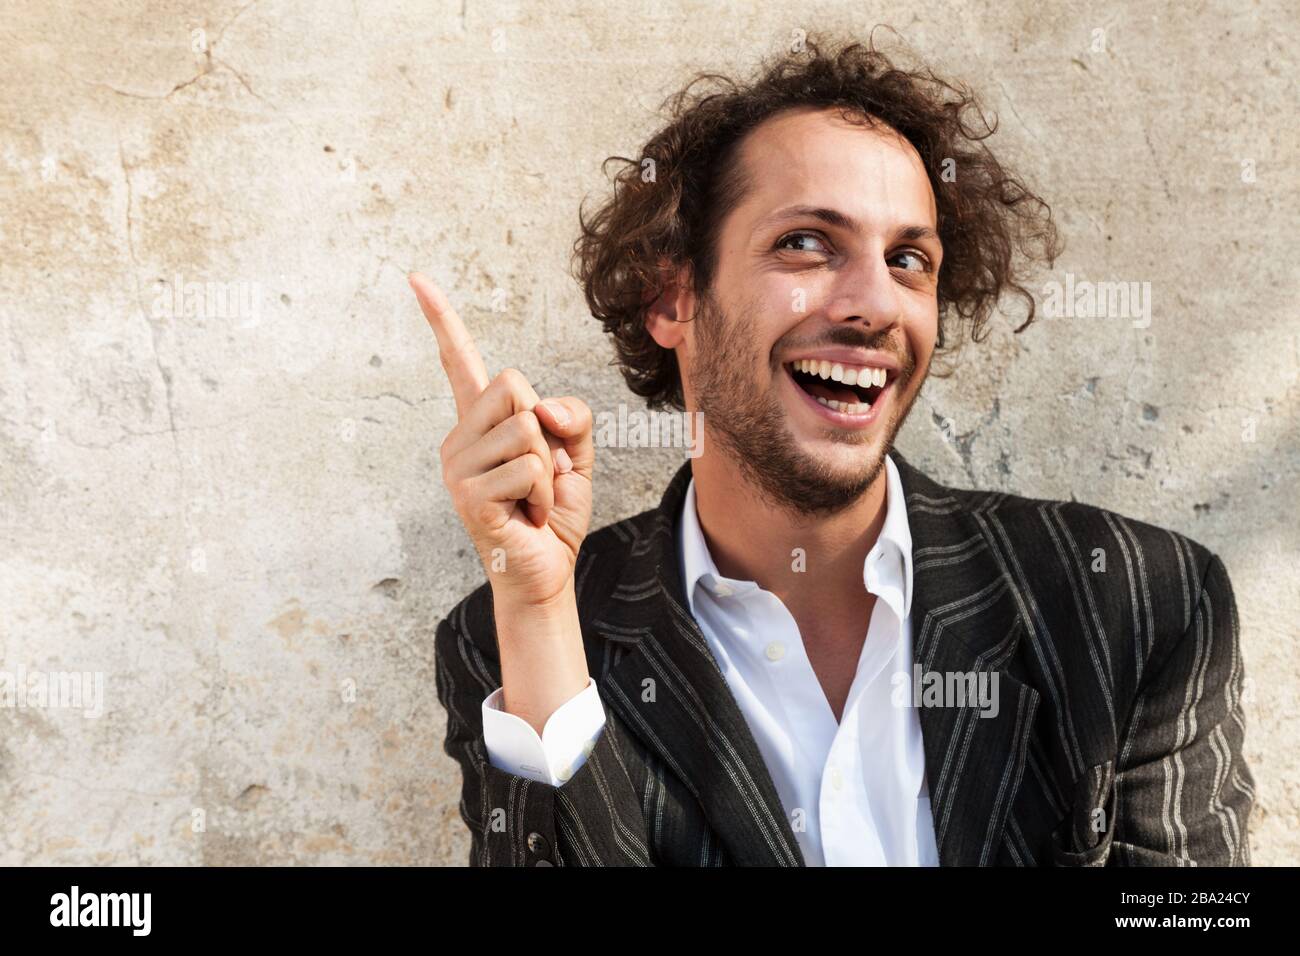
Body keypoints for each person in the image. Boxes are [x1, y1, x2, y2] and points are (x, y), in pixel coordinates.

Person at [417, 36, 1254, 866]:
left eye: (908, 260)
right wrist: (533, 612)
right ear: (673, 298)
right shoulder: (513, 645)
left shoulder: (1142, 606)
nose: (873, 304)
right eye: (807, 244)